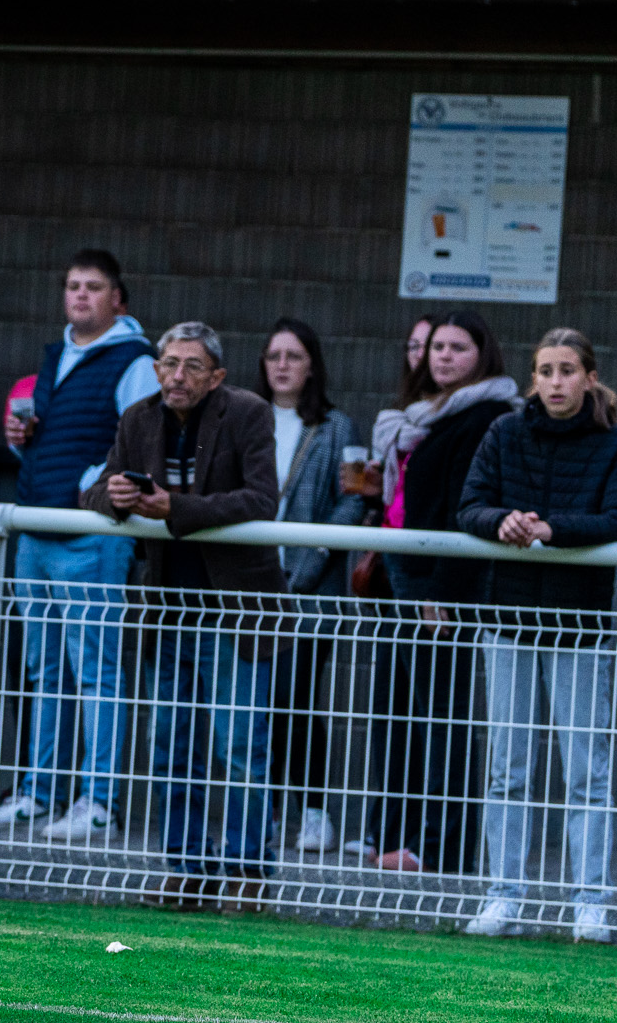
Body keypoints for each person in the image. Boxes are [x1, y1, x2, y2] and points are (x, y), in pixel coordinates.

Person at [83, 321, 284, 913]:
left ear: (217, 376)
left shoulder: (247, 412)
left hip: (235, 608)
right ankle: (186, 867)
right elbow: (92, 492)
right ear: (155, 369)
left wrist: (176, 508)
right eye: (169, 364)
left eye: (192, 366)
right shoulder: (138, 418)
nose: (177, 376)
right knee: (171, 744)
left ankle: (248, 869)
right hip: (167, 608)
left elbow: (262, 499)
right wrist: (116, 498)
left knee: (240, 746)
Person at [456, 329, 617, 943]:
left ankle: (592, 902)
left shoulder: (615, 442)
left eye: (567, 370)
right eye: (546, 370)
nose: (556, 382)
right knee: (508, 767)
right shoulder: (503, 432)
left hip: (577, 627)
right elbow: (469, 506)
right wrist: (502, 521)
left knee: (587, 772)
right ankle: (503, 895)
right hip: (508, 621)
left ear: (589, 377)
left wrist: (550, 529)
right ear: (533, 378)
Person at [0, 248, 157, 841]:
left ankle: (100, 800)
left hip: (92, 535)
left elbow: (143, 444)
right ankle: (40, 791)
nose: (81, 295)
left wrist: (90, 484)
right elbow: (56, 442)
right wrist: (23, 439)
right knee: (44, 670)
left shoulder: (136, 360)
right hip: (37, 529)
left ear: (118, 300)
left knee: (95, 672)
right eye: (73, 285)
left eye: (94, 286)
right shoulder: (54, 355)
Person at [361, 310, 519, 874]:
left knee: (443, 716)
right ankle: (405, 837)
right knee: (407, 711)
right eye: (437, 347)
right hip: (403, 572)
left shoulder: (485, 415)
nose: (443, 356)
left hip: (440, 581)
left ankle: (442, 849)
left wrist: (443, 592)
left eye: (457, 347)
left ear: (482, 354)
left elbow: (463, 509)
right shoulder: (425, 414)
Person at [258, 318, 368, 857]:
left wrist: (318, 551)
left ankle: (315, 810)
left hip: (310, 590)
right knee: (258, 701)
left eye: (294, 356)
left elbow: (355, 499)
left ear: (312, 366)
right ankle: (266, 811)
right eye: (274, 356)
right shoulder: (245, 417)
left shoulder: (335, 426)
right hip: (253, 585)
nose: (282, 365)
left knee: (295, 697)